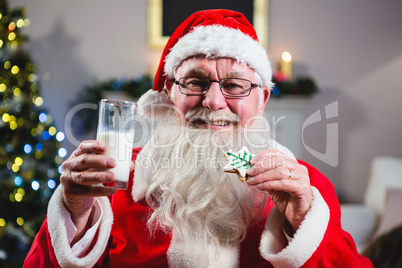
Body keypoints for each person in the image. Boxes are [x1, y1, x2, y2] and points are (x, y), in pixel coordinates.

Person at [24, 9, 372, 267]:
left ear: (262, 100)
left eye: (235, 85)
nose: (213, 102)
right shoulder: (114, 178)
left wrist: (302, 220)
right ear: (168, 92)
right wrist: (74, 211)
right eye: (195, 82)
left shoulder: (306, 188)